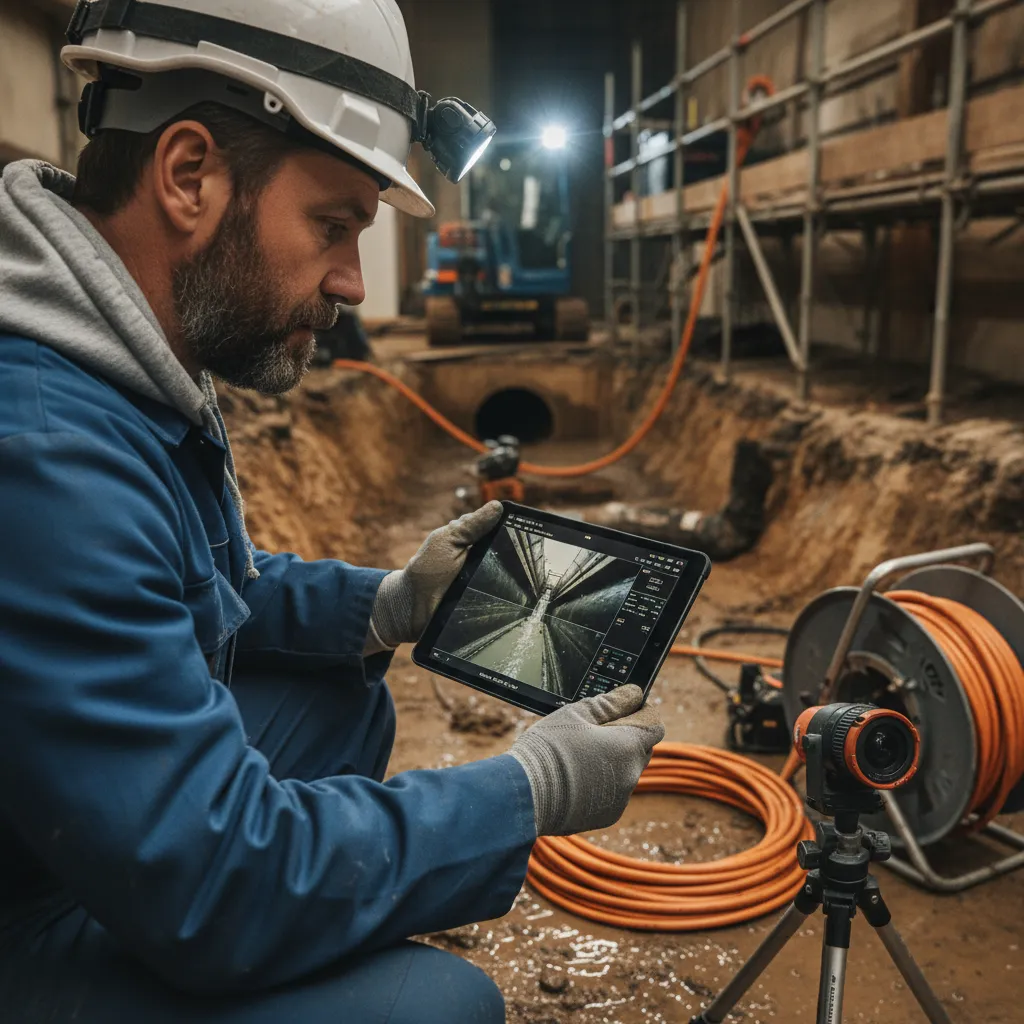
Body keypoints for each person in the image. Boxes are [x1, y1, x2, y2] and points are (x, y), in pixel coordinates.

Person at [0, 2, 664, 1021]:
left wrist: (386, 604)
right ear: (188, 176)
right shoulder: (45, 454)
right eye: (334, 223)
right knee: (439, 1008)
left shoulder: (116, 356)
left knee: (340, 696)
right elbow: (214, 877)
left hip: (45, 829)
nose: (353, 280)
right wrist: (525, 790)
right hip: (21, 916)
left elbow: (182, 589)